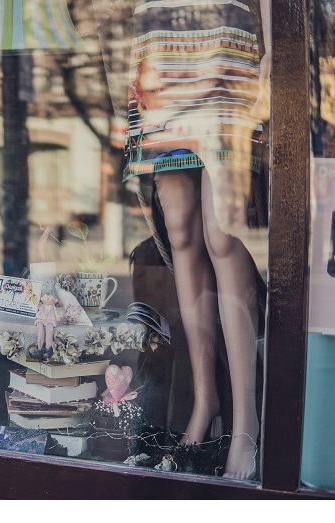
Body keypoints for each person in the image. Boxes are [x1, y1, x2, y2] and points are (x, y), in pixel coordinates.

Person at [123, 0, 271, 480]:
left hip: (228, 31)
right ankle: (204, 404)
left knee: (221, 231)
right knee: (181, 228)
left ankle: (246, 423)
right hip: (161, 39)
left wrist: (270, 45)